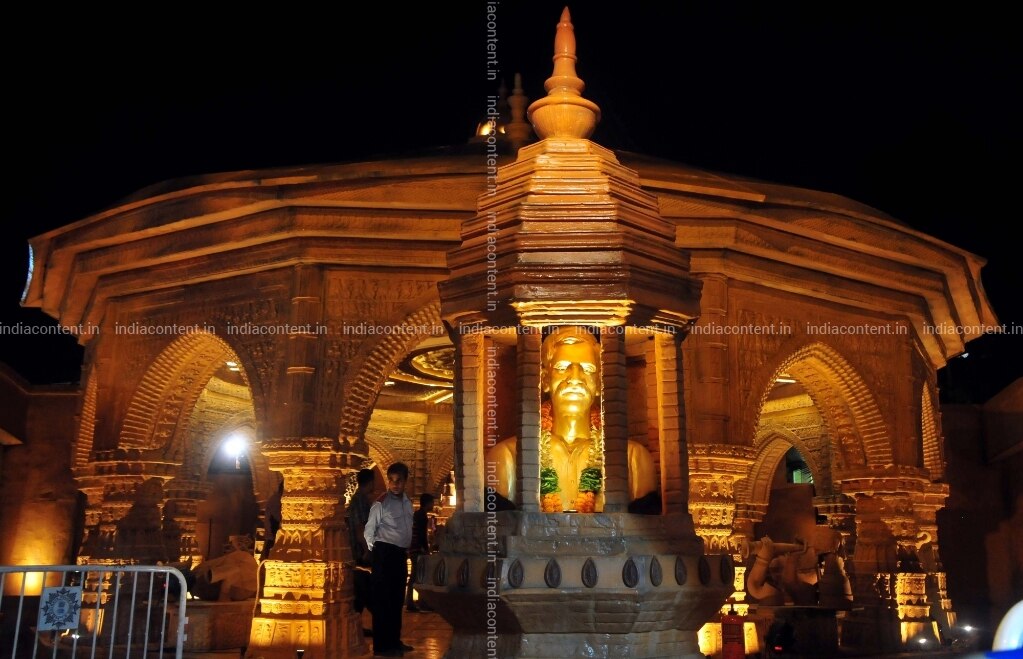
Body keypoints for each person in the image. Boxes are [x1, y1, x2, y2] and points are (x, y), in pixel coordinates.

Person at [486, 326, 657, 510]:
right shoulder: (507, 458)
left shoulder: (633, 459)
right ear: (544, 380)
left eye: (587, 368)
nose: (575, 378)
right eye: (561, 367)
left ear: (599, 383)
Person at [364, 462, 415, 657]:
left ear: (405, 481)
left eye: (399, 480)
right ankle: (382, 647)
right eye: (391, 480)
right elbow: (370, 530)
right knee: (383, 601)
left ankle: (394, 641)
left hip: (399, 554)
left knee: (396, 600)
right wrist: (377, 552)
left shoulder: (407, 502)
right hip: (384, 554)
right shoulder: (381, 502)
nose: (395, 484)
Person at [347, 468, 375, 618]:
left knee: (360, 594)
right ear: (370, 483)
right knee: (366, 592)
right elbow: (360, 528)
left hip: (360, 554)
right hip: (360, 555)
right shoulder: (359, 501)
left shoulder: (360, 500)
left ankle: (356, 626)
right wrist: (367, 551)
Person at [405, 493, 436, 612]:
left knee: (415, 576)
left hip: (414, 549)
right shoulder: (422, 516)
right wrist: (426, 549)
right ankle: (421, 602)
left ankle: (411, 602)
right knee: (421, 576)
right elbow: (422, 535)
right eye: (432, 502)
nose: (433, 505)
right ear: (427, 503)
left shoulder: (418, 514)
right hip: (418, 549)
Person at [261, 477, 284, 560]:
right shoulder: (276, 500)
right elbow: (278, 518)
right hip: (273, 537)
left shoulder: (277, 499)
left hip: (273, 536)